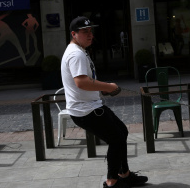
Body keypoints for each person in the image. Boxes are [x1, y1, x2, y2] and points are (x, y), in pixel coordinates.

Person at [61, 16, 148, 188]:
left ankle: (125, 174)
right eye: (84, 32)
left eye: (90, 31)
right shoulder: (76, 54)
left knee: (121, 131)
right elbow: (81, 82)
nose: (90, 35)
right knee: (116, 139)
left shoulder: (78, 50)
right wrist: (108, 86)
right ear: (74, 34)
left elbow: (84, 82)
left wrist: (102, 89)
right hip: (85, 111)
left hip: (91, 106)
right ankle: (112, 182)